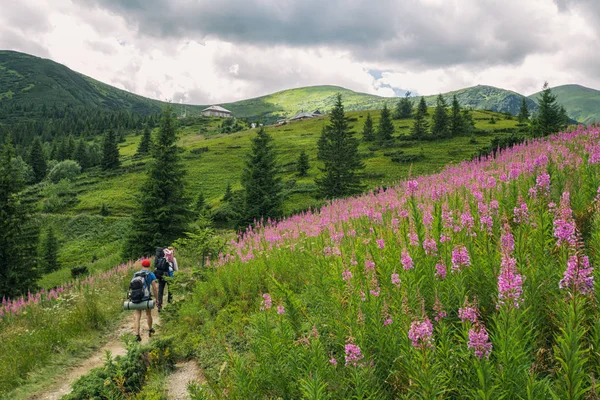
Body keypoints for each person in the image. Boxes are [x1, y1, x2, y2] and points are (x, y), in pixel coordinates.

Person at [133, 258, 158, 342]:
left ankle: (136, 335)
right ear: (149, 265)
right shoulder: (150, 274)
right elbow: (154, 288)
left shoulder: (136, 274)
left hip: (136, 297)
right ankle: (150, 329)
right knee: (148, 314)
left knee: (137, 315)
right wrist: (156, 298)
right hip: (146, 298)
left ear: (142, 265)